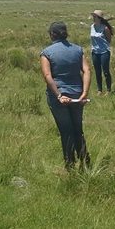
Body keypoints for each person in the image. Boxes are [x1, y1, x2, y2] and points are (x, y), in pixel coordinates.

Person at [40, 21, 92, 170]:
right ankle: (85, 160)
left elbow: (47, 75)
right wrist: (84, 93)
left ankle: (69, 164)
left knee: (65, 130)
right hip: (77, 94)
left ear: (52, 34)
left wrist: (58, 95)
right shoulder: (78, 50)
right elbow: (87, 71)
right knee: (77, 129)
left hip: (59, 96)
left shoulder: (47, 53)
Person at [90, 10, 114, 95]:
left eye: (95, 17)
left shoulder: (105, 28)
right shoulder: (92, 26)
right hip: (95, 52)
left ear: (99, 18)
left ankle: (108, 90)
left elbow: (109, 40)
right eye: (93, 16)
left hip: (104, 51)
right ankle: (99, 90)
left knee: (106, 71)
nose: (93, 18)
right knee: (97, 71)